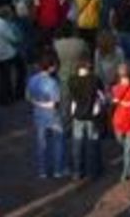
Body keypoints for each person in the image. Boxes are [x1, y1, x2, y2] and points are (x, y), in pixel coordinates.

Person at [25, 50, 66, 179]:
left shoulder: (32, 79)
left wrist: (36, 103)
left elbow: (28, 96)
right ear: (51, 66)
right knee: (58, 143)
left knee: (42, 144)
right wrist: (42, 104)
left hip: (38, 116)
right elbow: (55, 103)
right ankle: (58, 170)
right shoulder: (52, 83)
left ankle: (42, 170)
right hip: (53, 116)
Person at [68, 57, 104, 179]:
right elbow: (101, 96)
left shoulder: (72, 80)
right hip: (91, 115)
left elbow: (71, 97)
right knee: (93, 143)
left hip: (77, 114)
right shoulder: (95, 80)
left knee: (77, 143)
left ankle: (77, 171)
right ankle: (93, 171)